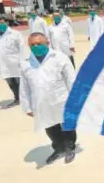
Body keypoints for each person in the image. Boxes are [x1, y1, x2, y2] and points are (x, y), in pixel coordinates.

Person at [19, 32, 78, 164]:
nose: (36, 46)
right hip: (41, 102)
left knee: (66, 125)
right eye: (32, 44)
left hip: (61, 99)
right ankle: (58, 148)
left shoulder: (60, 58)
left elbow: (71, 79)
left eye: (39, 43)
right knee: (50, 127)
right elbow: (24, 87)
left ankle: (70, 148)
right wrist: (27, 106)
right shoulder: (26, 63)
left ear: (47, 43)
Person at [0, 15, 26, 108]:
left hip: (16, 63)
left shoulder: (15, 34)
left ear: (6, 22)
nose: (0, 25)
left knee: (20, 82)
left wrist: (24, 62)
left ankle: (26, 99)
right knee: (10, 83)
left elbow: (23, 49)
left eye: (1, 22)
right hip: (2, 64)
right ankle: (17, 99)